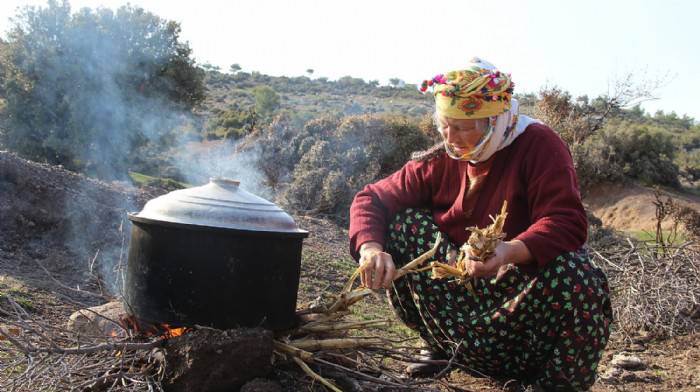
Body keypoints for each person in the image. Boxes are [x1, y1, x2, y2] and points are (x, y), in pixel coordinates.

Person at [348, 58, 612, 391]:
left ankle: (551, 384)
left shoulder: (539, 145)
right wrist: (371, 249)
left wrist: (508, 252)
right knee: (401, 224)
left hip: (513, 295)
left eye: (462, 126)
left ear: (495, 121)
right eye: (445, 124)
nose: (450, 136)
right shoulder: (443, 156)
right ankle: (439, 346)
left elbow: (566, 221)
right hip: (458, 289)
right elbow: (371, 198)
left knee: (577, 275)